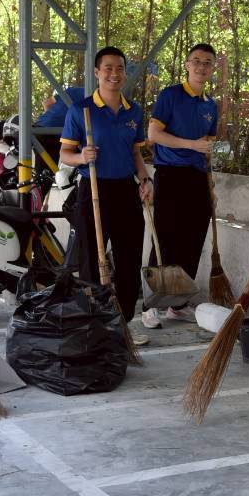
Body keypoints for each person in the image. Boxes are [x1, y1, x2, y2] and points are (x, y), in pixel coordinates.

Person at [59, 46, 153, 345]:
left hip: (125, 190)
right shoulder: (81, 110)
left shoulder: (133, 111)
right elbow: (65, 153)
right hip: (93, 190)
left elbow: (135, 153)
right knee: (91, 261)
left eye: (120, 68)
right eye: (108, 68)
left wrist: (145, 179)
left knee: (129, 260)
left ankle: (123, 324)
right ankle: (93, 324)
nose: (115, 74)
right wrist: (81, 157)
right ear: (97, 72)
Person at [140, 43, 219, 330]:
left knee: (193, 240)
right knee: (164, 239)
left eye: (207, 62)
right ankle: (150, 305)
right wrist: (190, 145)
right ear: (187, 64)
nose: (201, 66)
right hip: (171, 175)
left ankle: (178, 304)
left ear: (212, 68)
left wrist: (211, 186)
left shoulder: (211, 105)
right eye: (196, 61)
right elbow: (153, 134)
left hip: (198, 178)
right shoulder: (170, 95)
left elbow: (207, 148)